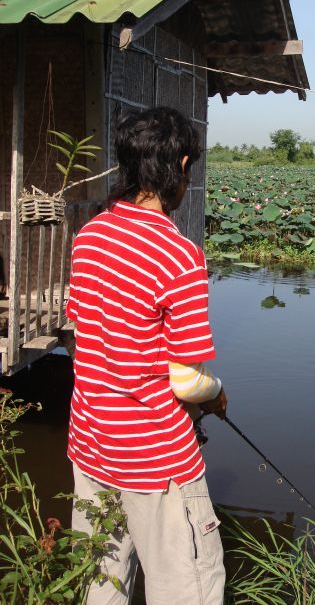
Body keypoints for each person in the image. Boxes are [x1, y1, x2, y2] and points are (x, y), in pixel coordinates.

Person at [65, 107, 227, 605]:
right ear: (180, 166)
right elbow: (186, 380)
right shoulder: (178, 257)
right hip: (156, 456)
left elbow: (84, 333)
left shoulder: (89, 237)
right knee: (188, 587)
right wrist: (217, 395)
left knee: (102, 581)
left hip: (91, 441)